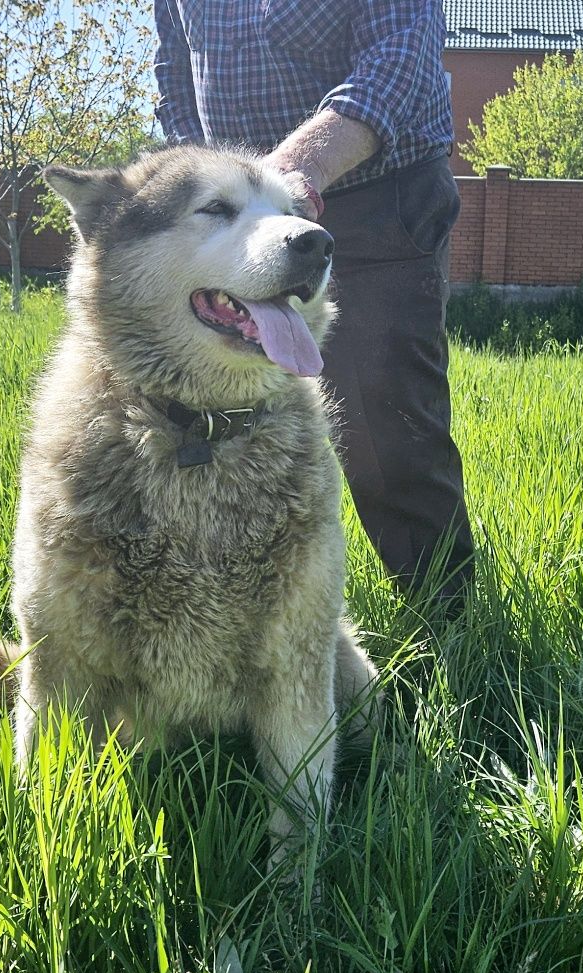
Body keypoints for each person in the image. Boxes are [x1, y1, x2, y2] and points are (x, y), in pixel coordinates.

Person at [153, 0, 476, 616]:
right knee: (212, 415)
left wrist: (291, 175)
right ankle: (223, 618)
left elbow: (400, 58)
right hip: (238, 219)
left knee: (387, 423)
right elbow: (174, 69)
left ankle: (445, 627)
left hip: (380, 197)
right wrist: (206, 194)